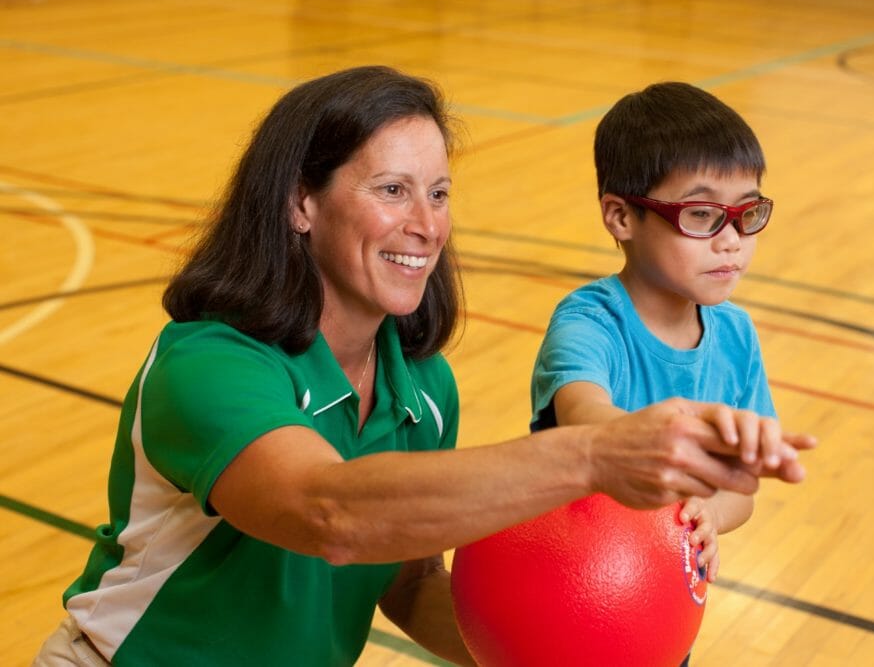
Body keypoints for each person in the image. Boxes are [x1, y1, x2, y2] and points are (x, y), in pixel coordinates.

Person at [34, 67, 812, 667]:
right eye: (393, 190)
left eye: (438, 193)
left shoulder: (423, 390)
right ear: (300, 202)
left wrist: (556, 646)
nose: (425, 224)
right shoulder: (210, 359)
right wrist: (597, 453)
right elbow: (327, 511)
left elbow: (405, 580)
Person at [530, 81, 813, 664]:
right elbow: (585, 417)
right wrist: (674, 438)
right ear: (621, 216)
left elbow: (741, 490)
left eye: (747, 213)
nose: (732, 240)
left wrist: (711, 509)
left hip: (659, 602)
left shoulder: (735, 336)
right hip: (569, 595)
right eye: (703, 214)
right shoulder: (590, 323)